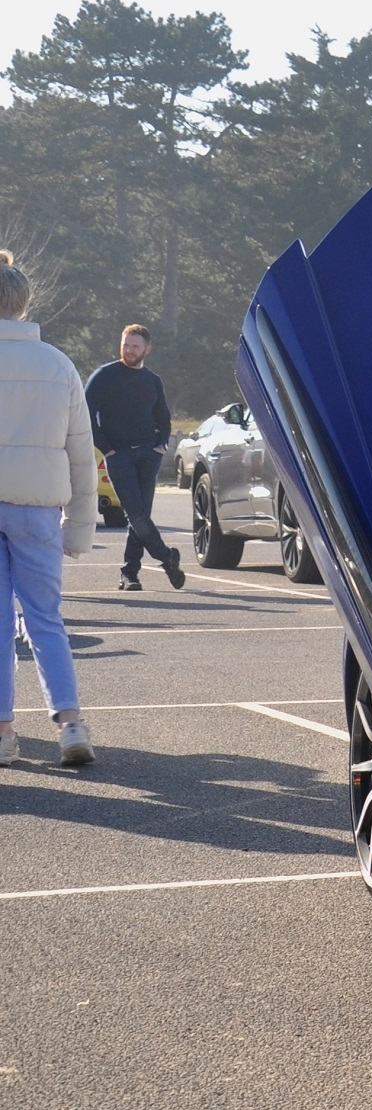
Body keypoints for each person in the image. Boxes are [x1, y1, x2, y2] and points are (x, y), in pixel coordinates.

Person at [0, 252, 97, 765]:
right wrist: (80, 527)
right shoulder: (58, 364)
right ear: (24, 304)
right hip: (37, 507)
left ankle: (3, 731)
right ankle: (69, 722)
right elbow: (80, 451)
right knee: (45, 618)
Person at [85, 322, 184, 592]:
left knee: (140, 515)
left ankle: (130, 573)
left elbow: (163, 417)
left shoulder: (153, 380)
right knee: (135, 514)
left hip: (148, 454)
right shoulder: (104, 376)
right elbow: (84, 413)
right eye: (125, 344)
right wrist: (106, 448)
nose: (129, 350)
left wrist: (160, 445)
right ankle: (166, 558)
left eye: (135, 346)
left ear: (147, 349)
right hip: (118, 455)